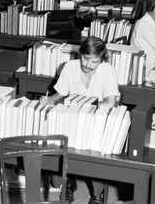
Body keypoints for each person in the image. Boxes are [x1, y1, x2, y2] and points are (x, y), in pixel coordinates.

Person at [39, 37, 119, 204]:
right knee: (54, 145)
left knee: (96, 151)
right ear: (80, 54)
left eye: (94, 61)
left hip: (96, 122)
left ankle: (97, 194)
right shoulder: (69, 67)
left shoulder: (108, 70)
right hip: (71, 120)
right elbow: (59, 95)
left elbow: (110, 102)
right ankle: (67, 182)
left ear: (101, 59)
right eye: (85, 58)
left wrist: (83, 105)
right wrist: (48, 100)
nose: (88, 64)